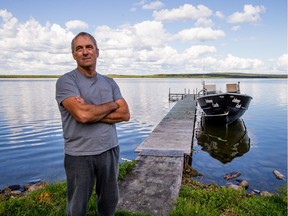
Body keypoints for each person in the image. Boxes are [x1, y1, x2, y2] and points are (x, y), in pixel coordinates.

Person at [55, 32, 130, 216]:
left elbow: (125, 114)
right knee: (76, 207)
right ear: (73, 54)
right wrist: (111, 106)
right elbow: (82, 115)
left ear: (97, 52)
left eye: (89, 47)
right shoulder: (66, 81)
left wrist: (91, 110)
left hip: (109, 149)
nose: (85, 52)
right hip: (79, 154)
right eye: (79, 48)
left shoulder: (109, 82)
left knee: (108, 202)